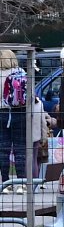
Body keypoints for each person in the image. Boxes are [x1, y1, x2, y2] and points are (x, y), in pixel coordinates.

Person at [0, 50, 29, 187]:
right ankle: (22, 182)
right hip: (20, 112)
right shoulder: (21, 72)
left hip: (1, 113)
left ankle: (6, 182)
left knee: (3, 148)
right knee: (20, 148)